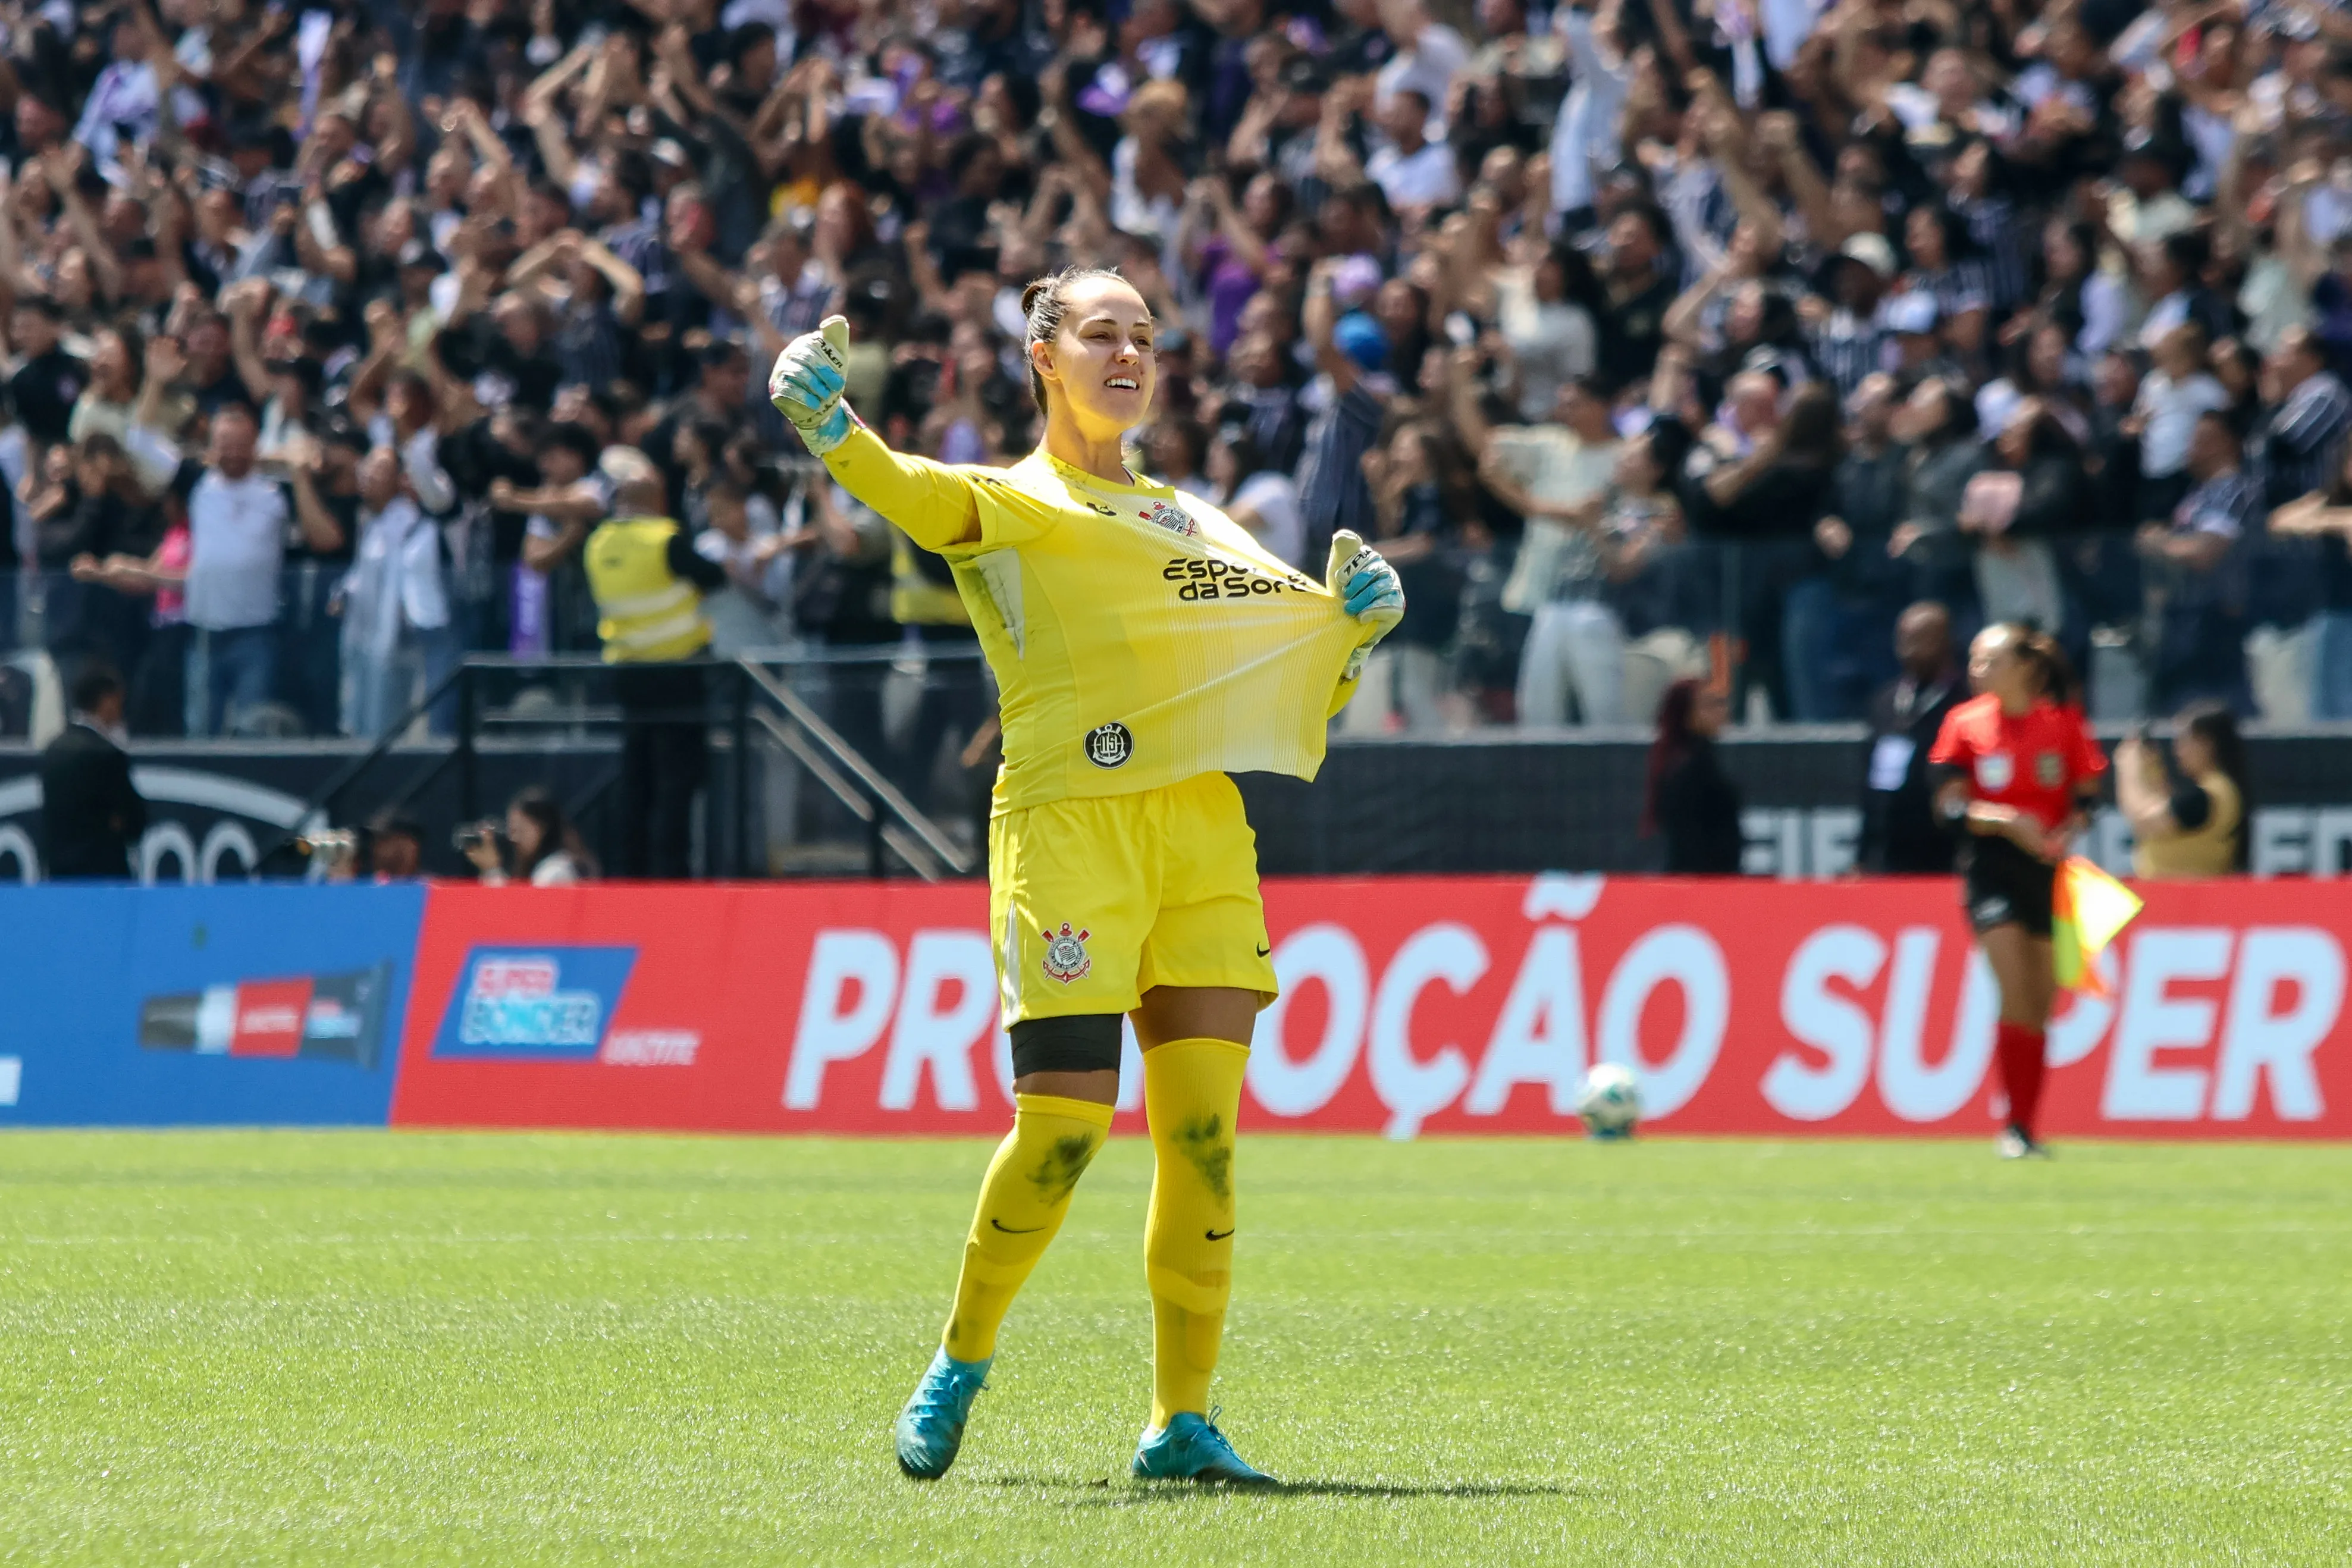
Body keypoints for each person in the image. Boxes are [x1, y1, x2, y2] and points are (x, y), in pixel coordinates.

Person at [767, 269, 1402, 1487]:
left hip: (1204, 839)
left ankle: (1181, 1421)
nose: (1129, 353)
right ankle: (960, 1357)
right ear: (1043, 358)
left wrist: (1351, 635)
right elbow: (914, 494)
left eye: (1146, 338)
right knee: (1063, 1124)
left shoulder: (1199, 526)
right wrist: (830, 426)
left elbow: (1286, 687)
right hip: (1070, 830)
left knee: (1205, 1140)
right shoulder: (1013, 500)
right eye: (1101, 333)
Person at [1928, 624, 2108, 1160]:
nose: (1976, 669)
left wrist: (2068, 830)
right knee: (2013, 989)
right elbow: (1948, 807)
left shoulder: (2064, 724)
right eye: (1976, 659)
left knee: (2042, 1004)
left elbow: (2088, 795)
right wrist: (2006, 820)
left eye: (1990, 659)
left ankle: (2027, 1124)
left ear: (2025, 667)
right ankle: (2012, 1126)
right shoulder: (1965, 723)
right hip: (1991, 868)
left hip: (2048, 872)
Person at [581, 468, 727, 879]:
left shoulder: (597, 543)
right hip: (678, 673)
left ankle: (631, 871)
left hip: (628, 674)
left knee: (636, 778)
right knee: (677, 783)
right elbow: (713, 577)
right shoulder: (663, 541)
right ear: (657, 500)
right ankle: (672, 874)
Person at [1858, 602, 1964, 876]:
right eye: (1903, 641)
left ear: (1945, 642)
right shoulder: (1885, 701)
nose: (1909, 650)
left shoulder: (1965, 703)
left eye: (1920, 640)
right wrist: (1862, 853)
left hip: (1942, 849)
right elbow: (1869, 782)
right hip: (1887, 848)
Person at [38, 663, 146, 880]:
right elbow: (134, 819)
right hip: (104, 876)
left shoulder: (53, 750)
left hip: (59, 875)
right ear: (107, 700)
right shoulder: (106, 754)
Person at [2116, 704, 2248, 879]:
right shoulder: (2221, 790)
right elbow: (2163, 809)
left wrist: (2129, 768)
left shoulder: (2208, 797)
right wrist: (2151, 771)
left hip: (2189, 900)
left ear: (2207, 744)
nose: (2177, 749)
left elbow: (2143, 819)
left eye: (2184, 740)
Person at [1643, 678, 1741, 874]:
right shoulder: (1687, 770)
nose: (1720, 711)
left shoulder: (1702, 760)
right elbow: (1687, 840)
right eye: (1709, 705)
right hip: (1698, 885)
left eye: (1720, 703)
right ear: (1687, 714)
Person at [463, 786, 588, 886]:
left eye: (520, 830)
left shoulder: (556, 871)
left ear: (542, 829)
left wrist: (492, 870)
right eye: (511, 830)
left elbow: (524, 913)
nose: (514, 838)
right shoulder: (533, 867)